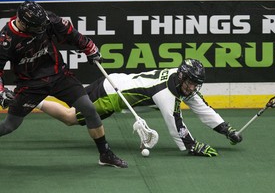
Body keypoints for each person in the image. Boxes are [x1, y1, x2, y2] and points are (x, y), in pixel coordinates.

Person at [0, 0, 128, 168]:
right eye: (38, 28)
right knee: (10, 125)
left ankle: (105, 154)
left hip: (59, 75)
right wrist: (1, 92)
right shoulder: (6, 40)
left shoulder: (45, 20)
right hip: (30, 84)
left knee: (89, 108)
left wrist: (89, 48)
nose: (42, 29)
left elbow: (70, 33)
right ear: (23, 23)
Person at [26, 59, 243, 157]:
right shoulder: (165, 94)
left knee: (71, 111)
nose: (194, 87)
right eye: (192, 82)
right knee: (70, 117)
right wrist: (192, 146)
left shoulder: (179, 79)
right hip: (110, 95)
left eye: (197, 83)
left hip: (115, 83)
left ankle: (33, 96)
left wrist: (226, 129)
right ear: (183, 77)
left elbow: (201, 107)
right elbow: (175, 124)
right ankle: (30, 98)